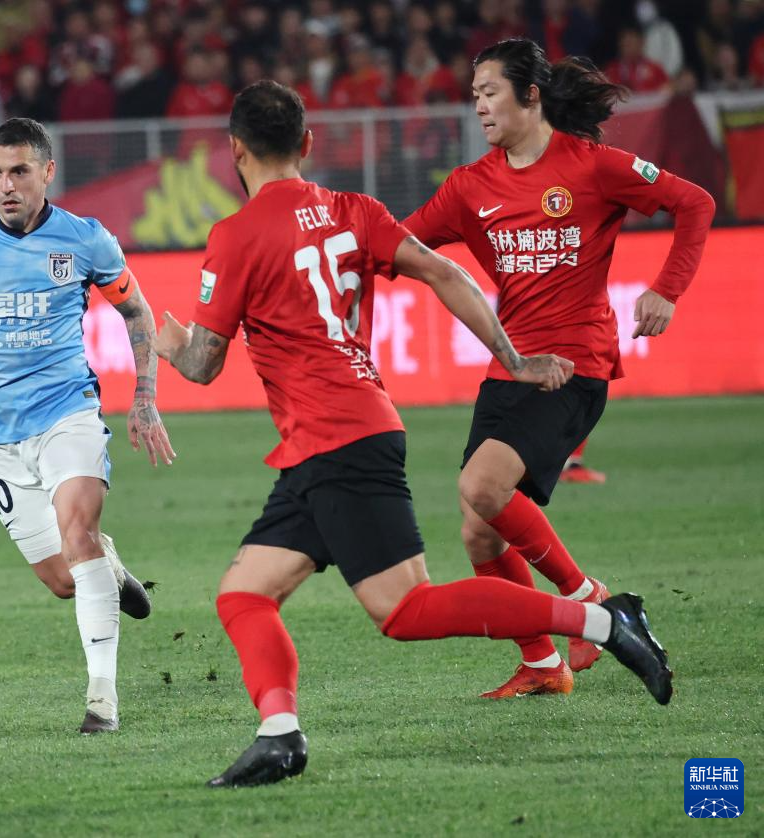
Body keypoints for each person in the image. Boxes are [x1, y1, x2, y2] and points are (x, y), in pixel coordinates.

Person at [153, 80, 672, 789]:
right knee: (243, 594)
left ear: (234, 150)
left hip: (336, 440)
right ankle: (279, 735)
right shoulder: (355, 211)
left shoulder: (235, 236)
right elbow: (444, 271)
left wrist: (163, 341)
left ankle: (604, 622)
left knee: (405, 609)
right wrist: (514, 357)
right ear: (307, 143)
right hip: (332, 438)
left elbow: (203, 365)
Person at [403, 39, 714, 699]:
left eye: (490, 92)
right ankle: (543, 664)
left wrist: (667, 288)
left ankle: (589, 598)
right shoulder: (469, 186)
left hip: (574, 366)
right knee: (478, 532)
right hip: (510, 370)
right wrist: (331, 251)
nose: (479, 106)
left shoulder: (593, 166)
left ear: (531, 95)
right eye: (474, 94)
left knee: (482, 487)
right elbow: (400, 244)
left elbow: (694, 203)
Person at [0, 117, 175, 734]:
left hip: (66, 411)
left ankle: (102, 701)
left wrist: (145, 396)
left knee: (78, 535)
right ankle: (110, 567)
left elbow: (137, 312)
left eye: (19, 171)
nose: (6, 185)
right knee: (65, 580)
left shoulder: (85, 240)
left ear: (48, 171)